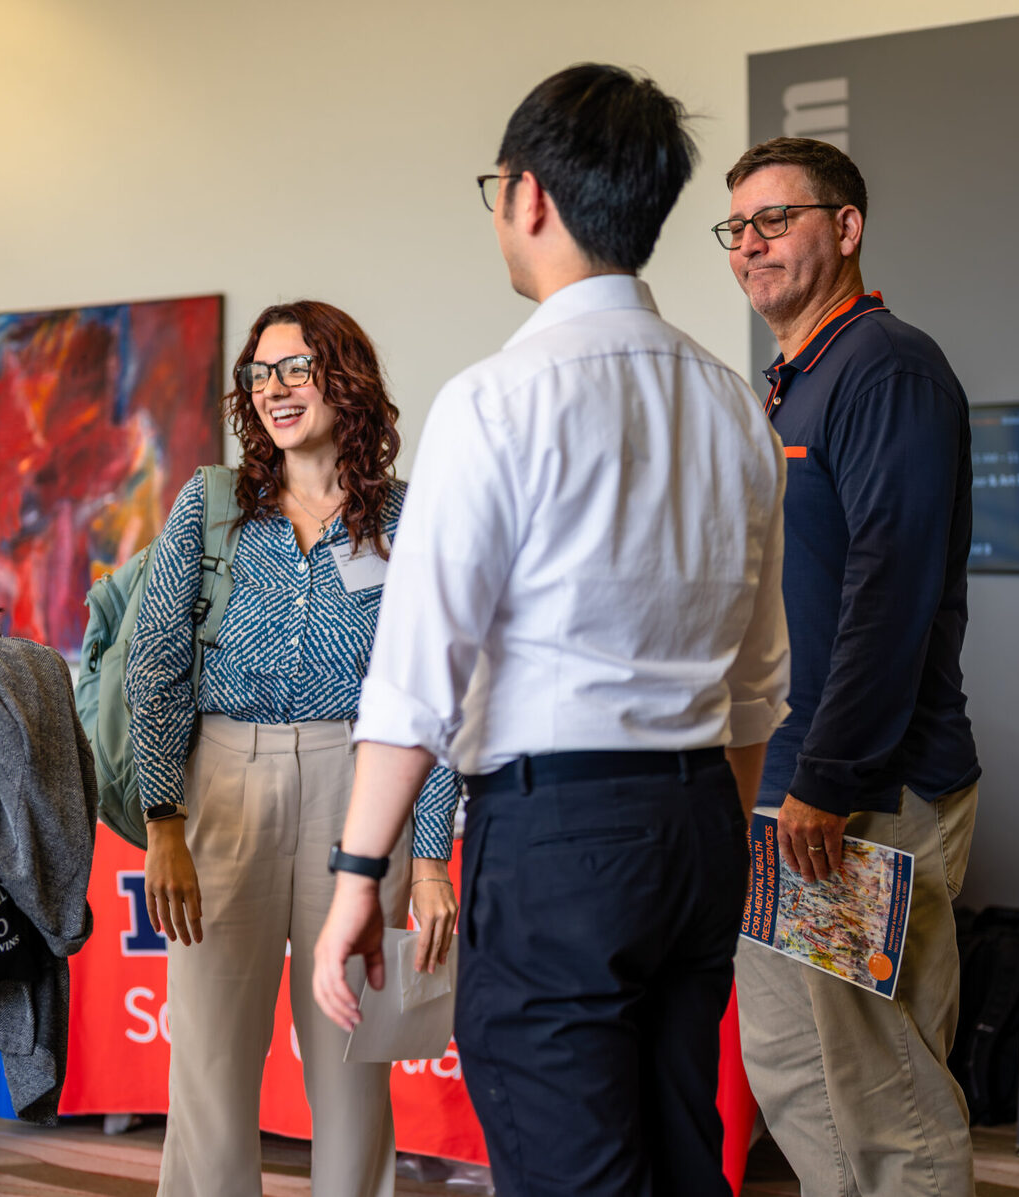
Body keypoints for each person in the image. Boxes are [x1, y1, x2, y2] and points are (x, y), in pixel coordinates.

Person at [312, 64, 791, 1196]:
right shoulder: (736, 402)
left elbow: (418, 674)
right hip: (699, 822)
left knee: (570, 1165)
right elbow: (759, 680)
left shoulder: (495, 399)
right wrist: (707, 830)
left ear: (528, 195)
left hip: (560, 833)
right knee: (682, 1153)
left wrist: (357, 877)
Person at [126, 300, 462, 1197]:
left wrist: (431, 855)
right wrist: (163, 819)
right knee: (207, 1061)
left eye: (296, 368)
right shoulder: (211, 505)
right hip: (224, 784)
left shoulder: (408, 517)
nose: (274, 388)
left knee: (355, 1055)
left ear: (344, 379)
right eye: (259, 373)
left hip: (363, 788)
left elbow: (434, 689)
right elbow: (155, 665)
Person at [717, 136, 982, 1197]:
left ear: (846, 226)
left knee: (884, 1095)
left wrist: (826, 780)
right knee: (796, 1073)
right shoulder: (793, 385)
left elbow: (890, 589)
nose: (751, 244)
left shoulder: (887, 368)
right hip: (786, 795)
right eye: (737, 227)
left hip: (860, 801)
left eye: (775, 220)